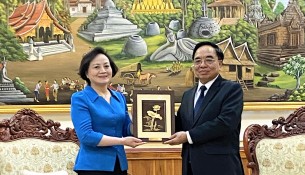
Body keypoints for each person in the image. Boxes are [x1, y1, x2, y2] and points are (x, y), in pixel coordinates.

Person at [164, 41, 244, 175]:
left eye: (209, 60)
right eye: (197, 61)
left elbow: (225, 123)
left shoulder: (232, 89)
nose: (202, 65)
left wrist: (188, 136)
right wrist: (158, 114)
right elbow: (182, 124)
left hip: (221, 167)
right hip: (190, 165)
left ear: (220, 63)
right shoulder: (188, 95)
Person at [70, 47, 145, 175]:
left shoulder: (119, 97)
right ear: (87, 73)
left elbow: (127, 129)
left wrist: (142, 121)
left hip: (119, 164)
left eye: (106, 66)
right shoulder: (80, 98)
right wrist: (122, 141)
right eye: (96, 67)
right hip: (93, 167)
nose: (103, 71)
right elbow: (86, 136)